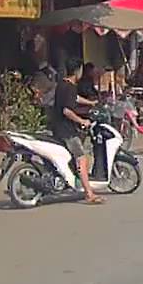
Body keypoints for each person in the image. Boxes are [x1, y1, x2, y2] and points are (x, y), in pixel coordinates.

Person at [50, 58, 103, 204]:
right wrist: (82, 121)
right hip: (66, 130)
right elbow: (67, 111)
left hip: (57, 127)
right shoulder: (71, 87)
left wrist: (90, 102)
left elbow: (74, 98)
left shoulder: (62, 84)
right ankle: (89, 193)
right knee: (81, 158)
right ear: (78, 70)